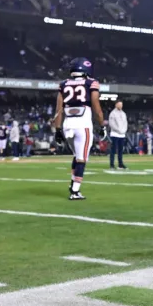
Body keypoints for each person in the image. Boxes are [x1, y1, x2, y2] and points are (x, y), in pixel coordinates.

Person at [52, 57, 106, 200]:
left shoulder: (63, 84)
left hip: (67, 125)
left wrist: (57, 130)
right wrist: (102, 125)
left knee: (77, 156)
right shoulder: (91, 83)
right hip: (83, 125)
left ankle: (73, 184)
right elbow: (96, 107)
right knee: (82, 159)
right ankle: (75, 191)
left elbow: (58, 110)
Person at [108, 101, 128, 170]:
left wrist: (124, 130)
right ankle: (112, 164)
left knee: (120, 150)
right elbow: (111, 124)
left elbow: (126, 123)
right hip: (115, 134)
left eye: (121, 104)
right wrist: (118, 130)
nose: (121, 106)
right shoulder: (112, 113)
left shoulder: (123, 113)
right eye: (119, 104)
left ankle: (120, 164)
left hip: (122, 134)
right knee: (113, 150)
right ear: (116, 105)